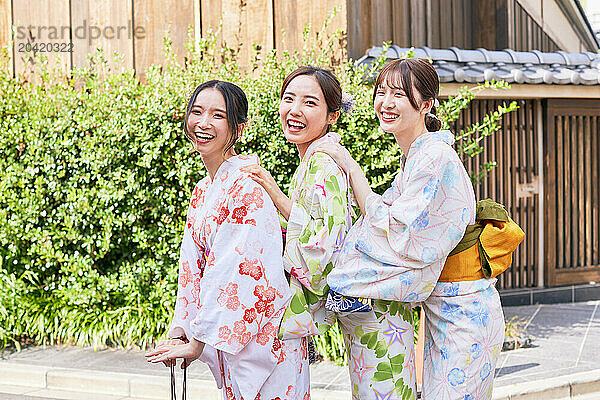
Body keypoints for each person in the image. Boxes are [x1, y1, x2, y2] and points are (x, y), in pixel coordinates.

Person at [317, 58, 507, 400]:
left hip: (465, 310)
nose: (386, 103)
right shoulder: (417, 156)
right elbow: (382, 221)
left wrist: (349, 166)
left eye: (399, 94)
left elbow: (398, 234)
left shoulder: (434, 158)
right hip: (445, 309)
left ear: (426, 104)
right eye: (381, 92)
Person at [242, 66, 417, 400]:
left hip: (374, 309)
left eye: (310, 103)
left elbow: (325, 244)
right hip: (363, 305)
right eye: (288, 98)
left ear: (332, 115)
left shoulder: (323, 162)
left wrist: (276, 197)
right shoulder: (314, 158)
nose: (294, 110)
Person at [145, 80, 309, 400]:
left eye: (217, 115)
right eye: (197, 112)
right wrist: (183, 329)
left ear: (239, 128)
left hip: (265, 337)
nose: (204, 123)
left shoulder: (247, 186)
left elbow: (236, 271)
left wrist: (199, 339)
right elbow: (192, 268)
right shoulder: (202, 191)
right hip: (231, 337)